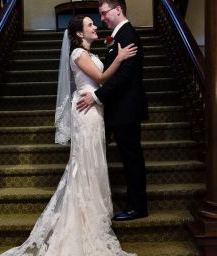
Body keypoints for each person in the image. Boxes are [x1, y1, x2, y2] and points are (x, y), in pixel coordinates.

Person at [0, 15, 138, 256]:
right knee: (84, 163)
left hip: (95, 110)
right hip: (86, 113)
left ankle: (93, 209)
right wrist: (120, 58)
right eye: (90, 25)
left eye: (94, 23)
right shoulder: (77, 54)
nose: (95, 26)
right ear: (79, 34)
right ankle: (82, 213)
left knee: (93, 161)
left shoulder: (91, 54)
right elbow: (102, 79)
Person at [76, 0, 149, 221]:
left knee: (132, 159)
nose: (102, 19)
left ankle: (137, 207)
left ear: (118, 10)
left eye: (104, 13)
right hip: (120, 109)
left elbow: (124, 77)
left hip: (126, 110)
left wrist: (97, 96)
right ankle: (131, 204)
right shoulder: (119, 37)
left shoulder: (127, 36)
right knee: (128, 158)